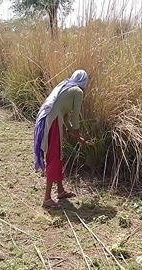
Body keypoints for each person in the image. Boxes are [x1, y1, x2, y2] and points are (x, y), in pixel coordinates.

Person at [34, 69, 89, 209]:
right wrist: (78, 137)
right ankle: (46, 198)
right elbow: (75, 118)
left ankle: (60, 191)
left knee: (58, 155)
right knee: (54, 156)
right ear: (85, 81)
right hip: (53, 120)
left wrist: (75, 134)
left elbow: (64, 117)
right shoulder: (78, 91)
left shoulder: (65, 86)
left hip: (48, 118)